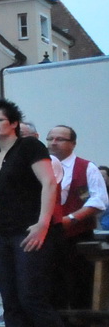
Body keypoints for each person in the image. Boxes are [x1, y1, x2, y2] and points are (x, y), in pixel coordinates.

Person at [0, 99, 82, 327]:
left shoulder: (29, 147)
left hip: (30, 231)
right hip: (2, 234)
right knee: (11, 303)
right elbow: (0, 200)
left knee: (33, 299)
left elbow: (49, 184)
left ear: (13, 123)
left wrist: (42, 223)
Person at [47, 124, 106, 311]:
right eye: (50, 139)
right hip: (47, 239)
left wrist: (72, 218)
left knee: (81, 291)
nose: (53, 143)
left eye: (60, 139)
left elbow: (99, 200)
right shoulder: (41, 166)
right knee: (52, 291)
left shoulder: (86, 167)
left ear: (73, 143)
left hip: (78, 238)